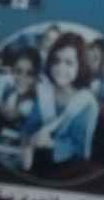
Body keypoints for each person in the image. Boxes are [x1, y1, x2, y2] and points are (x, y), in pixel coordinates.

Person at [21, 32, 98, 173]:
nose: (60, 68)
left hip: (68, 168)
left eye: (69, 63)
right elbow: (30, 127)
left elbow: (80, 149)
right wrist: (27, 141)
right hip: (37, 159)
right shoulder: (45, 91)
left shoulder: (87, 102)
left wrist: (51, 143)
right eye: (56, 61)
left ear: (80, 66)